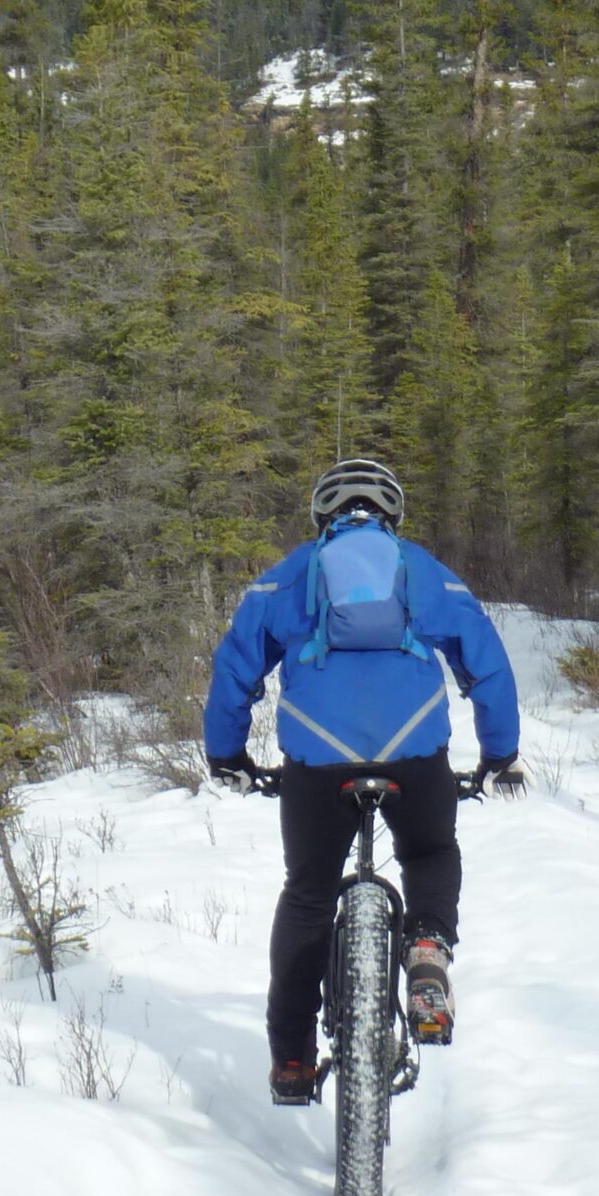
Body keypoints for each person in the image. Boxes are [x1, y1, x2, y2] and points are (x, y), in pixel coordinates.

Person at [203, 456, 524, 1105]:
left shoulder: (288, 577)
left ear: (322, 516)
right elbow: (485, 663)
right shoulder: (421, 570)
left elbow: (236, 667)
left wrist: (228, 754)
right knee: (430, 850)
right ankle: (427, 950)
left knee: (308, 897)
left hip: (317, 762)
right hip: (413, 751)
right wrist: (499, 754)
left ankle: (292, 1060)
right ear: (391, 515)